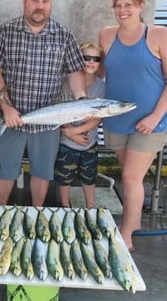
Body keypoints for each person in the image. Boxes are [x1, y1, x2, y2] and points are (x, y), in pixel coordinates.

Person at [0, 0, 87, 207]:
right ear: (24, 2)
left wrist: (81, 98)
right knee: (5, 170)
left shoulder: (63, 35)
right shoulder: (6, 31)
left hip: (48, 122)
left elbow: (74, 73)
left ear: (51, 3)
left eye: (45, 1)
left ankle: (37, 213)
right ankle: (2, 211)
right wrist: (6, 107)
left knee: (42, 172)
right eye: (34, 0)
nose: (39, 6)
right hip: (11, 119)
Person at [98, 0, 167, 252]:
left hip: (149, 122)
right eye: (118, 5)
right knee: (130, 175)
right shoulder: (107, 35)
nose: (123, 10)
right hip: (117, 118)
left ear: (141, 6)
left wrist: (156, 116)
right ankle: (135, 222)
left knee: (131, 178)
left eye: (129, 5)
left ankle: (126, 236)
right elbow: (98, 73)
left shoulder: (159, 35)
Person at [54, 42, 105, 209]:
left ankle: (91, 206)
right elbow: (57, 110)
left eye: (96, 59)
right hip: (66, 142)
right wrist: (70, 134)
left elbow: (98, 118)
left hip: (89, 143)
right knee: (63, 177)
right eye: (86, 57)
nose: (91, 62)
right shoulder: (65, 82)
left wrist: (76, 131)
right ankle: (65, 207)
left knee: (89, 177)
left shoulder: (101, 86)